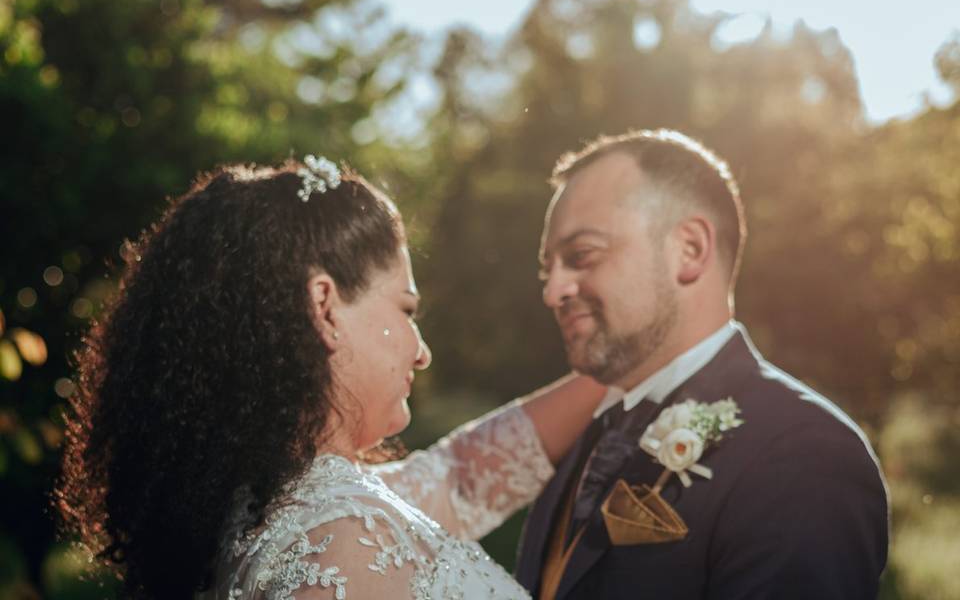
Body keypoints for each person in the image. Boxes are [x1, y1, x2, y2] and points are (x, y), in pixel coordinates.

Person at [56, 157, 606, 599]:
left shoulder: (275, 510)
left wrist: (633, 364)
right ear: (325, 307)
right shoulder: (343, 549)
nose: (422, 353)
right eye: (406, 310)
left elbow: (462, 474)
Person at [515, 129, 889, 599]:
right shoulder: (581, 439)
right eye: (548, 269)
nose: (553, 293)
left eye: (582, 256)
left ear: (689, 249)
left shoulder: (806, 457)